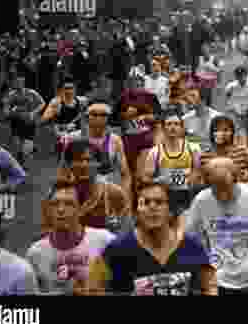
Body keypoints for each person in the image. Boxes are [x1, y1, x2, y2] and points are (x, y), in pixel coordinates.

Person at [86, 180, 217, 295]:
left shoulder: (192, 247)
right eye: (145, 202)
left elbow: (210, 287)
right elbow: (93, 288)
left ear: (170, 211)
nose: (152, 207)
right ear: (136, 212)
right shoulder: (118, 248)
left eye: (159, 202)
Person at [186, 157, 248, 295]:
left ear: (236, 180)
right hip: (219, 281)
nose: (223, 196)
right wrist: (206, 269)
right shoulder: (201, 201)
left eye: (227, 189)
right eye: (216, 190)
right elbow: (191, 237)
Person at [26, 182, 116, 295]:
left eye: (69, 204)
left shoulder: (105, 241)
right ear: (48, 210)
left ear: (80, 209)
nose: (61, 210)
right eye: (55, 204)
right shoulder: (36, 253)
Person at [43, 137, 130, 235]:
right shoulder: (55, 195)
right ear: (68, 164)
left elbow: (125, 231)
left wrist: (115, 226)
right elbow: (47, 231)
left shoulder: (113, 193)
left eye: (89, 160)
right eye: (78, 160)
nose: (84, 165)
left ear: (99, 163)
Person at [142, 109, 204, 232]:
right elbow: (145, 178)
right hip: (166, 197)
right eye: (169, 124)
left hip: (188, 195)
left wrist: (195, 176)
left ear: (181, 128)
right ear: (164, 128)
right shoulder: (155, 152)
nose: (173, 127)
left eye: (176, 124)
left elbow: (200, 172)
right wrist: (158, 181)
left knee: (187, 230)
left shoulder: (193, 148)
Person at [60, 98, 133, 203]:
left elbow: (125, 174)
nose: (98, 118)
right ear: (87, 116)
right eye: (94, 114)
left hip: (105, 195)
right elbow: (63, 171)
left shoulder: (115, 140)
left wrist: (124, 195)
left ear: (109, 117)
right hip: (78, 193)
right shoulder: (72, 138)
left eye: (103, 115)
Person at [2, 73, 45, 165]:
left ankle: (25, 155)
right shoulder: (11, 95)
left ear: (24, 82)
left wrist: (34, 112)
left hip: (29, 123)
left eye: (21, 82)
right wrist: (9, 112)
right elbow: (6, 108)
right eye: (17, 82)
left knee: (26, 147)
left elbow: (42, 103)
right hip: (17, 122)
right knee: (18, 145)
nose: (19, 84)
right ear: (14, 83)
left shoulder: (31, 92)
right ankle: (21, 159)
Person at [200, 115, 248, 184]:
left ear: (232, 132)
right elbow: (202, 180)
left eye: (225, 130)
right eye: (216, 130)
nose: (221, 133)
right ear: (212, 134)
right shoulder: (204, 155)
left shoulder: (244, 151)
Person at [181, 76, 222, 148]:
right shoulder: (185, 119)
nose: (188, 99)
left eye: (193, 96)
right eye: (187, 96)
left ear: (203, 99)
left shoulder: (218, 118)